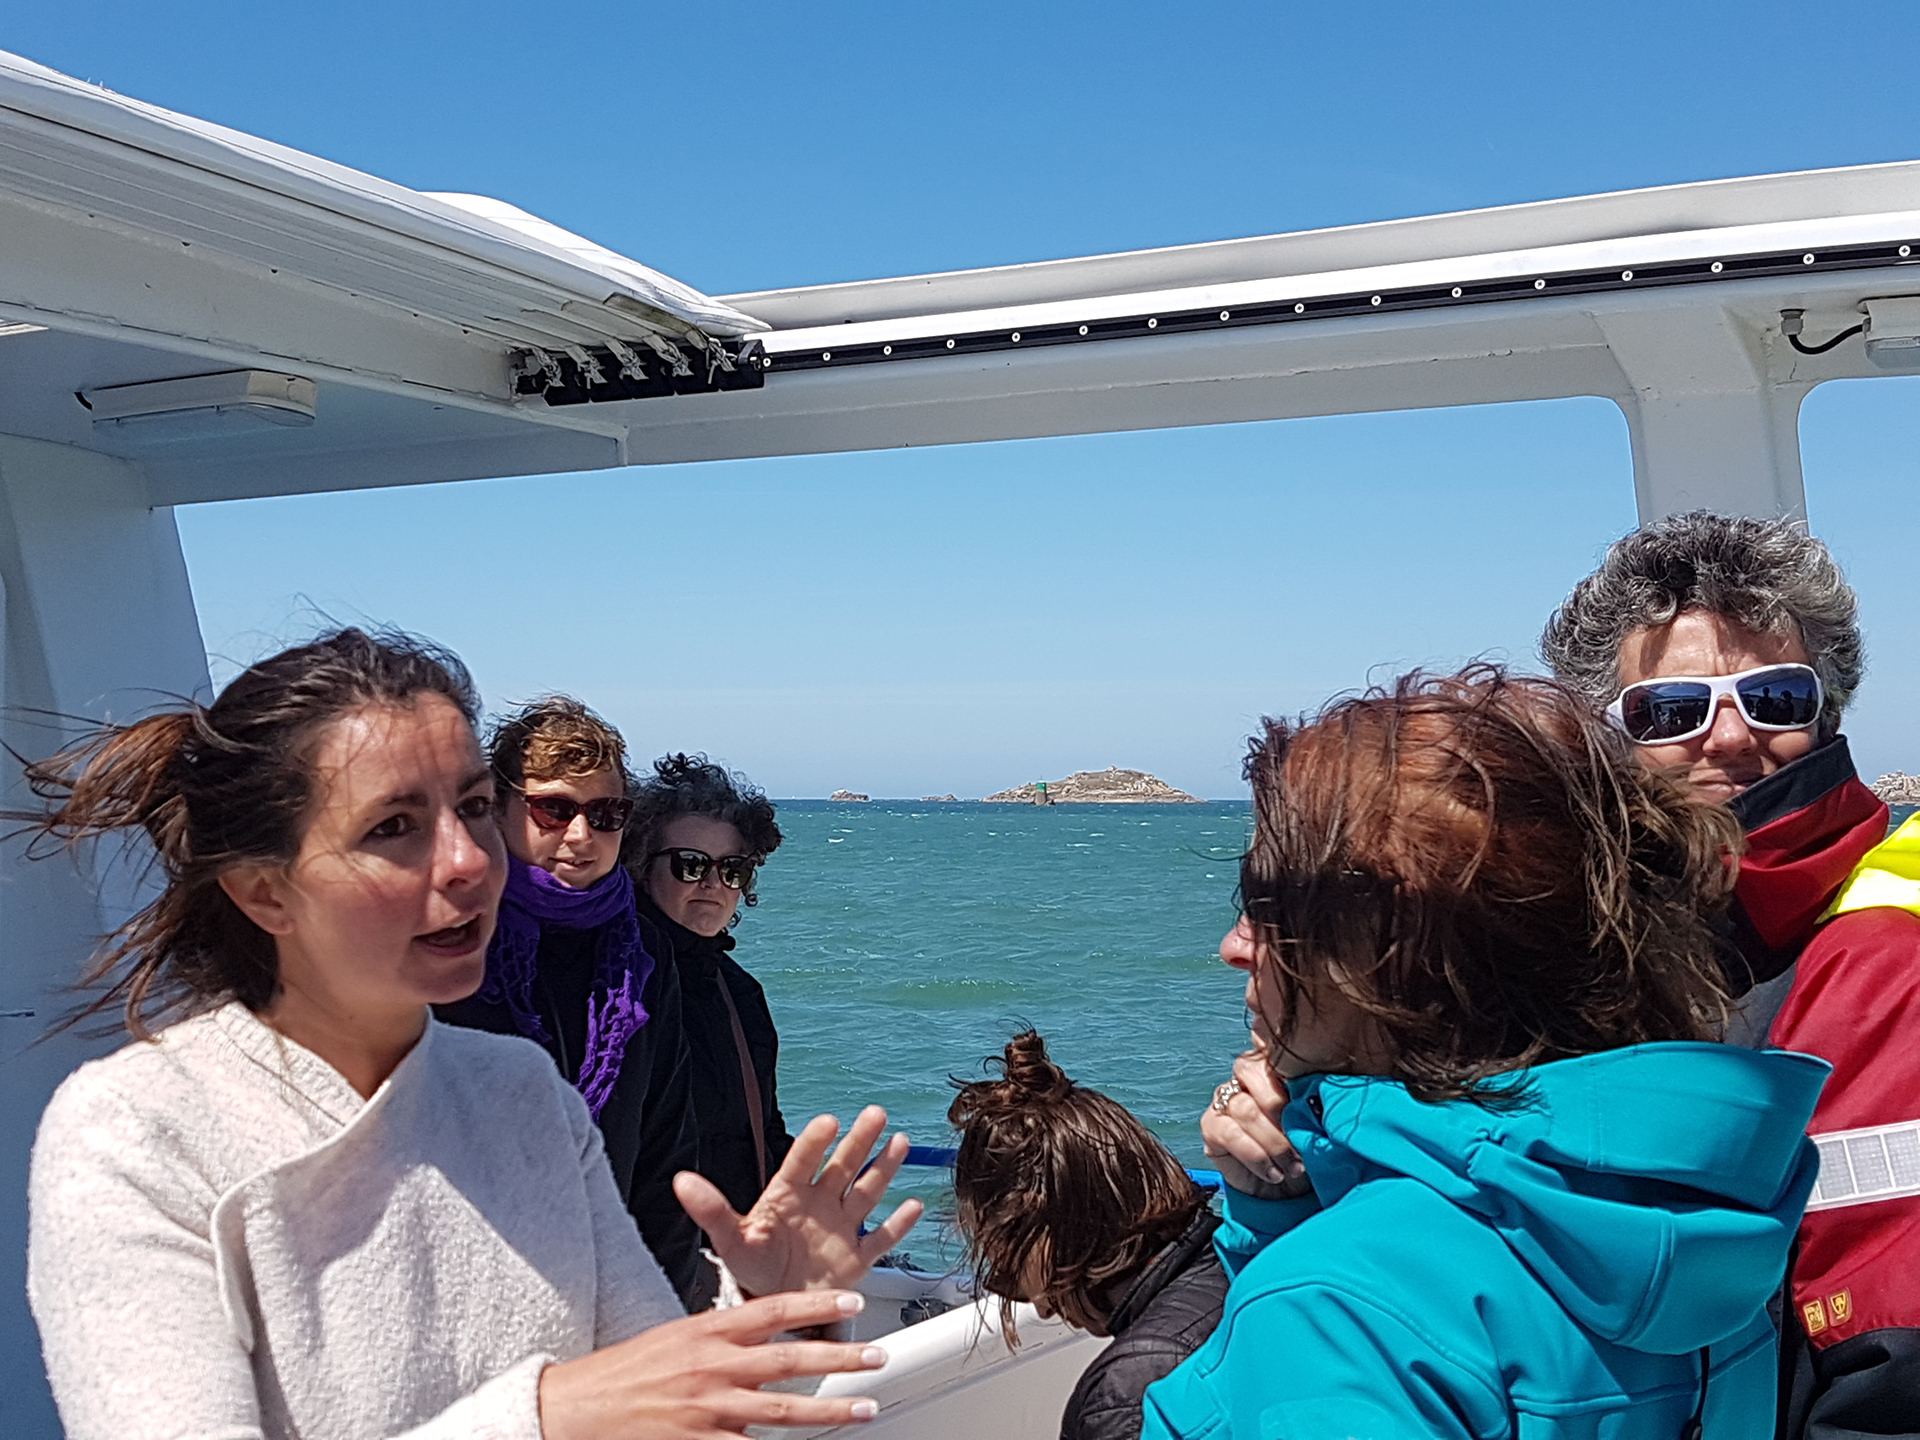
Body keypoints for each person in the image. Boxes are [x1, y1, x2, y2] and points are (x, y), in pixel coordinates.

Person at [21, 628, 922, 1440]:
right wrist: (546, 1415)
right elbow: (584, 1411)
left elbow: (652, 1391)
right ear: (263, 890)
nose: (467, 860)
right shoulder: (135, 1134)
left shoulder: (521, 1092)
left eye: (475, 808)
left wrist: (767, 1300)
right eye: (394, 827)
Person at [1163, 667, 1823, 1440]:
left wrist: (1304, 1277)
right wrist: (1288, 1224)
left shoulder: (1337, 1314)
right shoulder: (1708, 1226)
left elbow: (1391, 1322)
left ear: (1404, 957)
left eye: (1267, 905)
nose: (1235, 947)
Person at [1543, 511, 1920, 1440]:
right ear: (1615, 736)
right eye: (1670, 711)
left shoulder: (1893, 939)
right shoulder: (1577, 935)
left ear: (1825, 713)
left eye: (1775, 699)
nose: (1726, 738)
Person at [435, 696, 707, 1306]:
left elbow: (665, 1143)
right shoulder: (447, 940)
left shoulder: (645, 954)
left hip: (605, 1276)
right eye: (553, 809)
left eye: (606, 813)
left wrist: (658, 1309)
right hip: (471, 1284)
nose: (581, 836)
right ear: (499, 808)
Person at [949, 1030, 1227, 1440]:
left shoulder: (1129, 1391)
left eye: (1007, 1263)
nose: (1041, 1308)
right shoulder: (1247, 1262)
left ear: (1044, 1229)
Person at [625, 755, 794, 1219]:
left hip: (736, 1258)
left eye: (732, 869)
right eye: (690, 864)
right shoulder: (616, 985)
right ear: (642, 864)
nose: (713, 883)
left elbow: (764, 1133)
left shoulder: (739, 992)